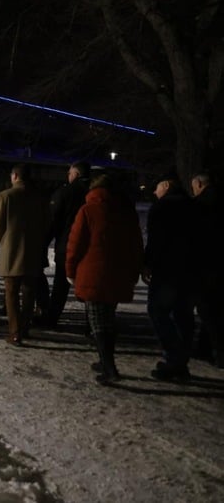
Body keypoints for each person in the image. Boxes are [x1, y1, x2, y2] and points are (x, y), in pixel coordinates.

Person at [65, 173, 144, 384]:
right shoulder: (126, 212)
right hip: (119, 274)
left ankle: (110, 368)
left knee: (98, 323)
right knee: (108, 318)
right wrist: (134, 270)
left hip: (94, 274)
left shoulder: (89, 210)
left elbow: (76, 244)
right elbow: (136, 244)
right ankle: (105, 361)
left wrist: (70, 269)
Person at [142, 170, 198, 382]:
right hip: (191, 269)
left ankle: (174, 358)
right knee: (183, 315)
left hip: (167, 270)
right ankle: (180, 363)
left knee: (158, 311)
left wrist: (147, 264)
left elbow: (156, 240)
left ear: (165, 185)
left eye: (156, 187)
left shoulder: (163, 207)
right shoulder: (194, 206)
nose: (155, 192)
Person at [0, 163, 51, 346]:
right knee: (29, 292)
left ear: (15, 176)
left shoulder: (5, 196)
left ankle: (15, 331)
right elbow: (47, 224)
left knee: (11, 292)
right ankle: (25, 327)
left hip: (12, 250)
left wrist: (4, 241)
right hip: (33, 251)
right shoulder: (40, 198)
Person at [40, 160, 91, 328]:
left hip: (67, 245)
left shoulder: (65, 193)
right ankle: (92, 324)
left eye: (69, 173)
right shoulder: (94, 192)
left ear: (76, 174)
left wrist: (43, 243)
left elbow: (53, 221)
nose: (68, 176)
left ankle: (52, 318)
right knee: (90, 285)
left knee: (61, 285)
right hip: (91, 248)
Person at [190, 172, 223, 367]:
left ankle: (218, 352)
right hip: (216, 263)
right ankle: (205, 348)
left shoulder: (200, 205)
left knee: (208, 308)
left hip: (207, 264)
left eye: (194, 186)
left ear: (200, 184)